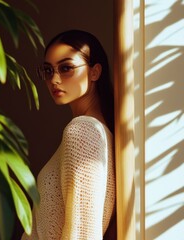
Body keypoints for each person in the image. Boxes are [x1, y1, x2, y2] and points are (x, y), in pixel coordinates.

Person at [22, 29, 116, 240]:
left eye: (66, 68)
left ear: (95, 72)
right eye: (48, 70)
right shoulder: (98, 131)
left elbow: (82, 234)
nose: (54, 79)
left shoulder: (83, 132)